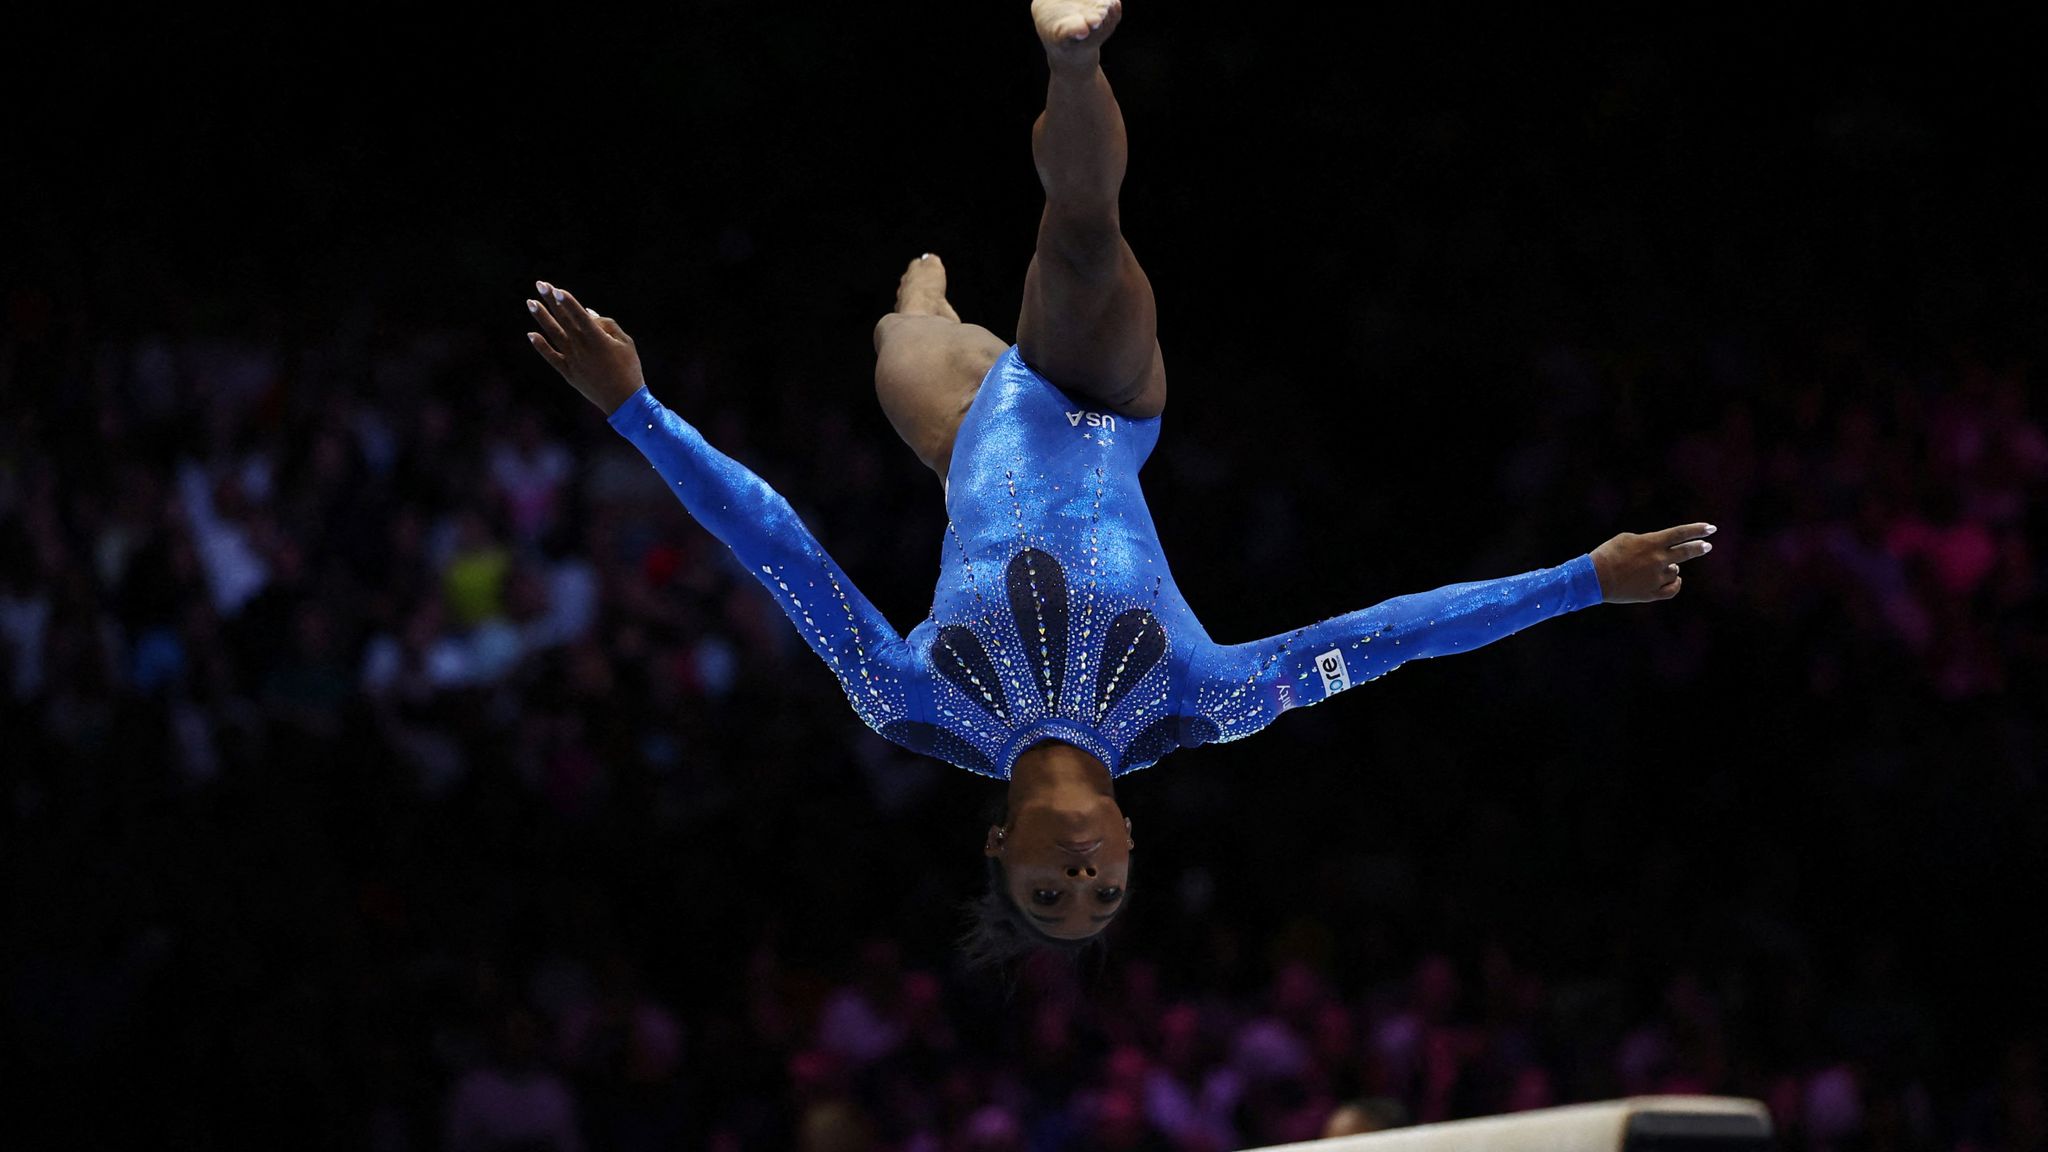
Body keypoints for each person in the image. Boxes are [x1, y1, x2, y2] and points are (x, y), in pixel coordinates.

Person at [523, 0, 1714, 957]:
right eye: (1102, 894)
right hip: (1096, 404)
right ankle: (1075, 55)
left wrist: (636, 408)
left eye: (1051, 897)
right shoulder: (1201, 700)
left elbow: (778, 545)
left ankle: (931, 309)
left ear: (999, 850)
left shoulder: (911, 701)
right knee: (1081, 240)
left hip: (968, 444)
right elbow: (1390, 634)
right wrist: (1576, 582)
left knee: (896, 341)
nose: (1082, 883)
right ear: (1132, 840)